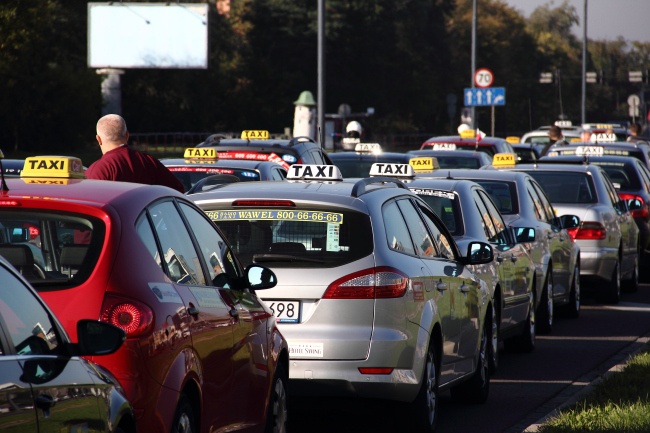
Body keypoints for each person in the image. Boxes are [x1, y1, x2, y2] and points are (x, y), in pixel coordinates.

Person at [85, 114, 185, 193]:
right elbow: (177, 190)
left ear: (99, 139)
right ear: (127, 135)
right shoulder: (149, 162)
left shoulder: (98, 170)